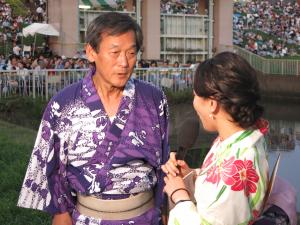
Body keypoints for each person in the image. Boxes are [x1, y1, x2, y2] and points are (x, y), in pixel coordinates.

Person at [18, 12, 169, 225]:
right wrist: (61, 214)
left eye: (131, 53)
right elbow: (52, 168)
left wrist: (166, 209)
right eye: (115, 52)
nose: (124, 62)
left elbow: (164, 161)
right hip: (88, 218)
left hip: (146, 217)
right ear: (91, 52)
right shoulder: (64, 104)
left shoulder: (153, 98)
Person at [162, 52, 269, 225]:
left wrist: (179, 194)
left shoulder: (236, 166)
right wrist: (190, 175)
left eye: (196, 95)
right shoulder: (245, 139)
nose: (194, 102)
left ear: (212, 104)